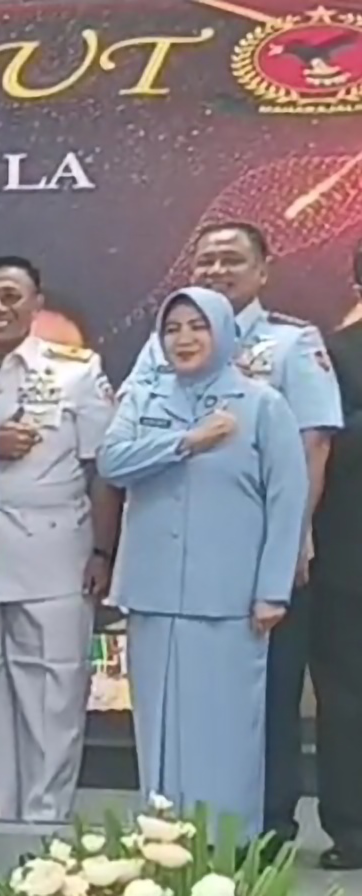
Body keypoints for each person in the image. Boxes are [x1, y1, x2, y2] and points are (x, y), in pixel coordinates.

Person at [124, 223, 342, 847]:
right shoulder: (162, 344)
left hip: (256, 552)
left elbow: (312, 444)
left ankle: (264, 831)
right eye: (206, 259)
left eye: (232, 259)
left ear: (264, 269)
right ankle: (177, 838)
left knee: (263, 696)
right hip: (176, 558)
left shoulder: (291, 343)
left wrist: (293, 539)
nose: (217, 269)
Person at [99, 286, 305, 840]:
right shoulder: (144, 397)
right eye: (172, 329)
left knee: (225, 732)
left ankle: (226, 850)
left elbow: (286, 500)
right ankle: (160, 848)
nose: (184, 338)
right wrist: (187, 441)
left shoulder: (261, 404)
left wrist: (272, 589)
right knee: (158, 730)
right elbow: (113, 462)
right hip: (152, 593)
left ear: (223, 332)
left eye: (197, 326)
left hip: (230, 598)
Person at [0, 256, 120, 823]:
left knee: (52, 699)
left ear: (36, 303)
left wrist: (103, 550)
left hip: (53, 553)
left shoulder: (76, 371)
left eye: (11, 296)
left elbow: (104, 469)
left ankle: (45, 830)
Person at [312, 241, 362, 869]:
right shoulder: (334, 353)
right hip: (350, 554)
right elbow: (320, 444)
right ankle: (352, 828)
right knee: (348, 696)